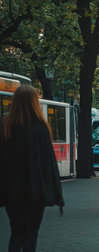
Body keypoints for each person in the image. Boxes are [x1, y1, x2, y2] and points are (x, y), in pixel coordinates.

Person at [0, 85, 64, 252]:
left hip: (12, 192)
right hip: (36, 192)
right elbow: (49, 163)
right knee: (31, 234)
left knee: (16, 233)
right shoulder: (41, 128)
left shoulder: (5, 127)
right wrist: (57, 194)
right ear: (35, 102)